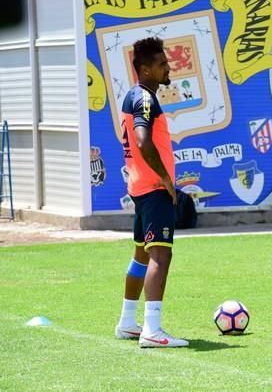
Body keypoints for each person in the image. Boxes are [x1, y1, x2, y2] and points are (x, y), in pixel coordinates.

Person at [115, 37, 188, 348]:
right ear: (144, 70)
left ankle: (127, 322)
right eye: (161, 64)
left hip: (139, 188)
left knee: (141, 255)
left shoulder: (133, 97)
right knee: (161, 253)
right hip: (153, 188)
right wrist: (167, 181)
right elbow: (143, 142)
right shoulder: (144, 98)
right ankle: (152, 331)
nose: (167, 67)